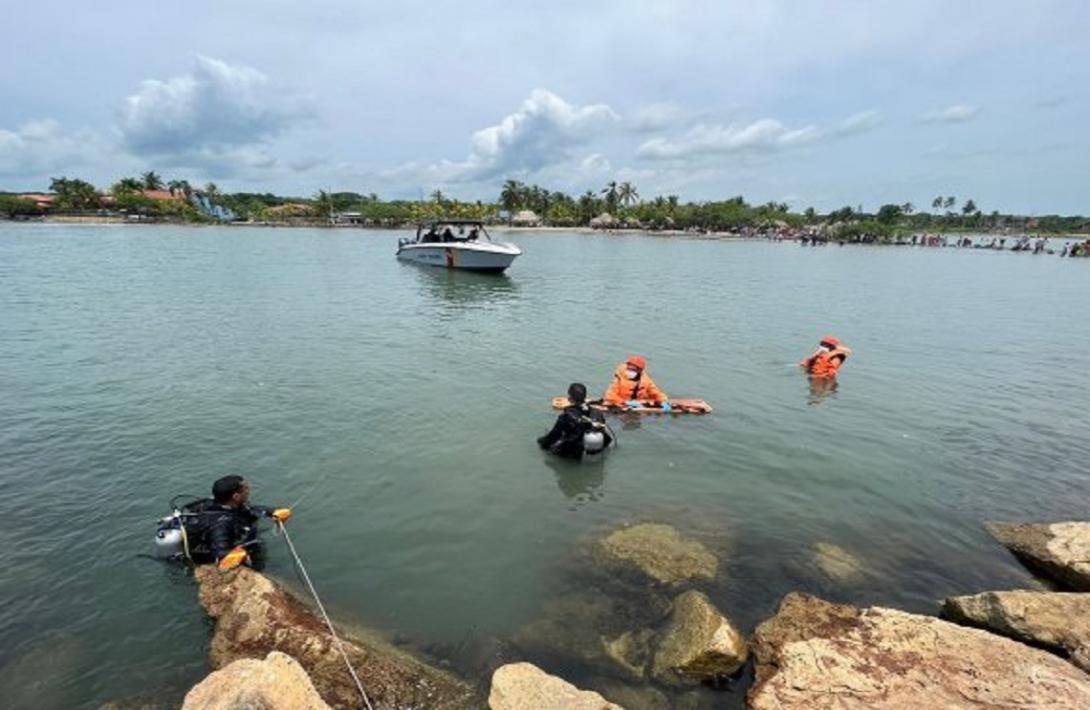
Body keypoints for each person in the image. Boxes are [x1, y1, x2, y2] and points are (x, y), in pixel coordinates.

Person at [186, 475, 291, 570]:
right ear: (236, 497)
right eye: (246, 489)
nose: (249, 490)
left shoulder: (224, 504)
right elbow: (221, 552)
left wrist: (271, 512)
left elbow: (249, 509)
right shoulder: (220, 524)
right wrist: (239, 554)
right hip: (207, 554)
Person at [538, 383, 613, 459]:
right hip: (596, 452)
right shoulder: (597, 413)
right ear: (585, 397)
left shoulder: (566, 416)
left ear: (570, 398)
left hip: (574, 455)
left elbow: (553, 436)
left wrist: (541, 442)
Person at [603, 356, 670, 410]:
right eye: (629, 369)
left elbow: (656, 393)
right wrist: (625, 402)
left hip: (638, 405)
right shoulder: (619, 378)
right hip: (621, 404)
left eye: (633, 370)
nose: (630, 371)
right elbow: (609, 395)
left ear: (640, 371)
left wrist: (664, 401)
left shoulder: (645, 380)